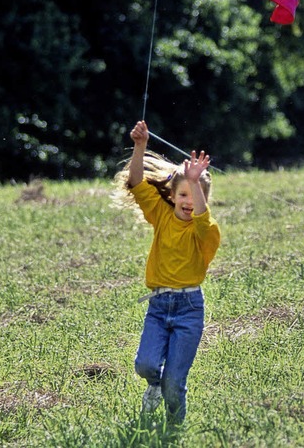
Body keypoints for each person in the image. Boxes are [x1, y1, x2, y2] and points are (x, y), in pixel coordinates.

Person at [113, 120, 221, 423]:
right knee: (145, 366)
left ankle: (173, 428)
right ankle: (154, 388)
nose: (188, 202)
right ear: (172, 196)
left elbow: (203, 219)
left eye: (196, 195)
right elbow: (136, 183)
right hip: (159, 306)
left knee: (175, 384)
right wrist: (140, 146)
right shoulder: (161, 215)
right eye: (183, 194)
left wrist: (195, 181)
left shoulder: (206, 231)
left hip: (189, 309)